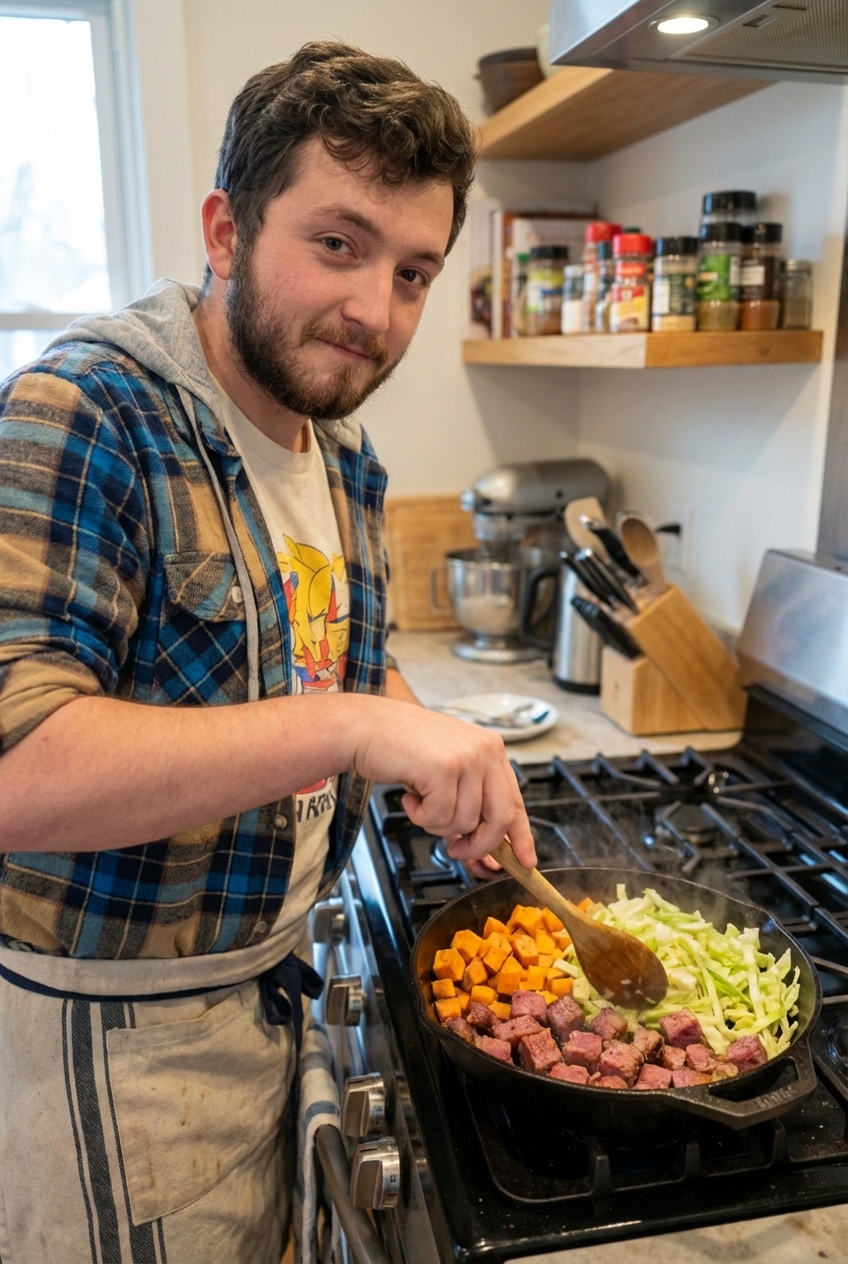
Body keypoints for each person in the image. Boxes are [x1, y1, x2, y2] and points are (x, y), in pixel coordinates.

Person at [0, 40, 535, 1264]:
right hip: (103, 1045)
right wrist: (358, 728)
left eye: (412, 272)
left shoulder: (340, 452)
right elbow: (17, 769)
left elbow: (331, 665)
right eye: (337, 245)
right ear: (226, 228)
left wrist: (434, 747)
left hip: (258, 999)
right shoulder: (86, 412)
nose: (374, 312)